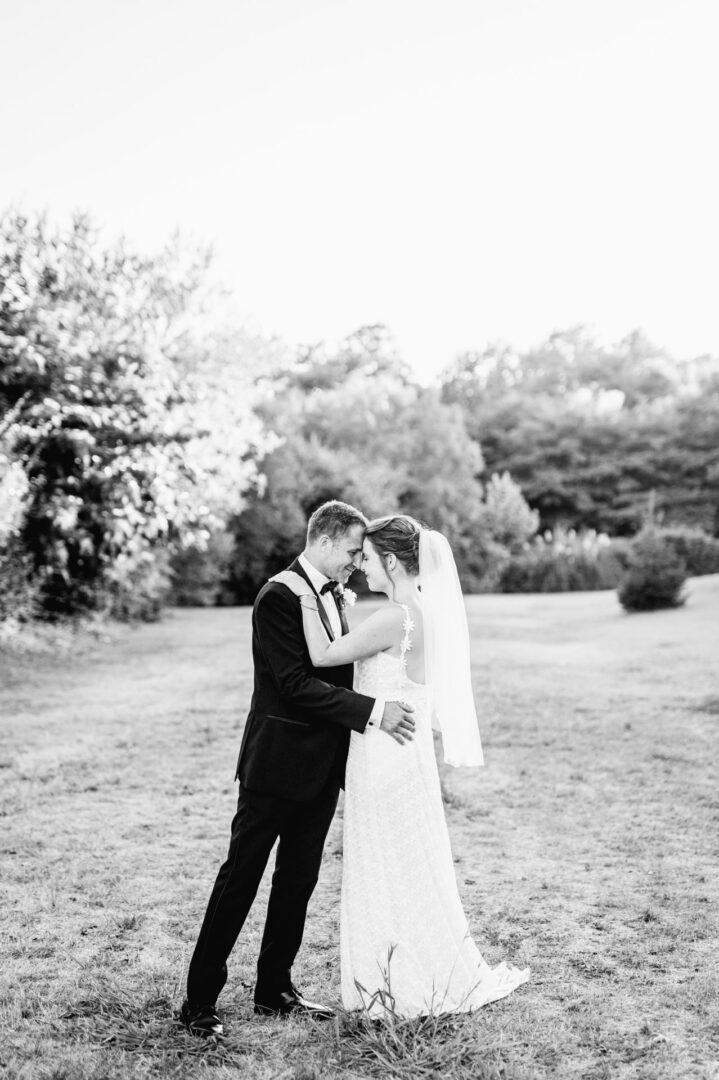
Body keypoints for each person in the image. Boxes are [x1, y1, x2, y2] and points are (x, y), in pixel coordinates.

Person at [274, 514, 529, 1018]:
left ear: (391, 561)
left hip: (382, 753)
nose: (361, 567)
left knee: (383, 860)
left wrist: (306, 595)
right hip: (405, 753)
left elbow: (323, 656)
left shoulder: (394, 617)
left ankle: (395, 977)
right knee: (409, 859)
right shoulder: (423, 611)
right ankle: (419, 964)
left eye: (367, 558)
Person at [180, 501, 416, 1037]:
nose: (356, 562)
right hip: (275, 764)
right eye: (352, 551)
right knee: (240, 879)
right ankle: (199, 1001)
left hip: (322, 767)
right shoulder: (278, 595)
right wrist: (374, 712)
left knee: (298, 881)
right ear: (325, 541)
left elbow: (337, 665)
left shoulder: (334, 594)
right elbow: (294, 684)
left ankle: (275, 990)